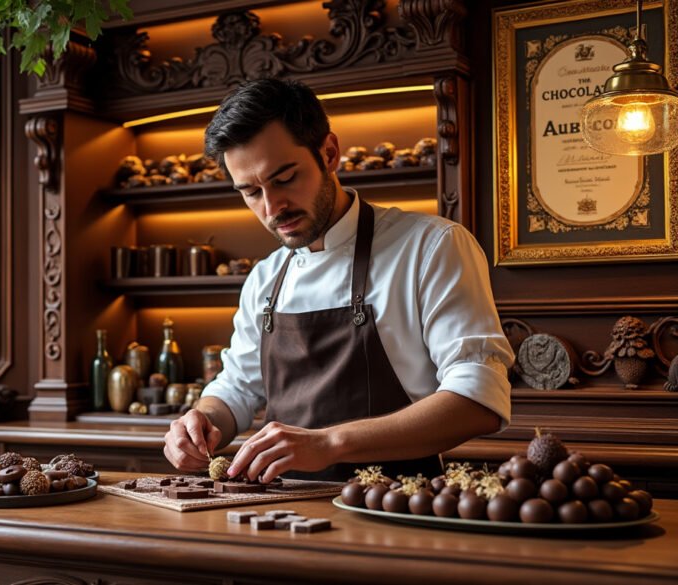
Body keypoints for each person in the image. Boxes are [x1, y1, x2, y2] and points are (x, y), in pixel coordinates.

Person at [162, 79, 514, 483]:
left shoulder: (431, 247)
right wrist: (203, 420)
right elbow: (237, 389)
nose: (272, 207)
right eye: (251, 192)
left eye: (285, 178)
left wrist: (330, 443)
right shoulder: (265, 278)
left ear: (329, 153)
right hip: (278, 514)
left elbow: (478, 400)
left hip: (395, 508)